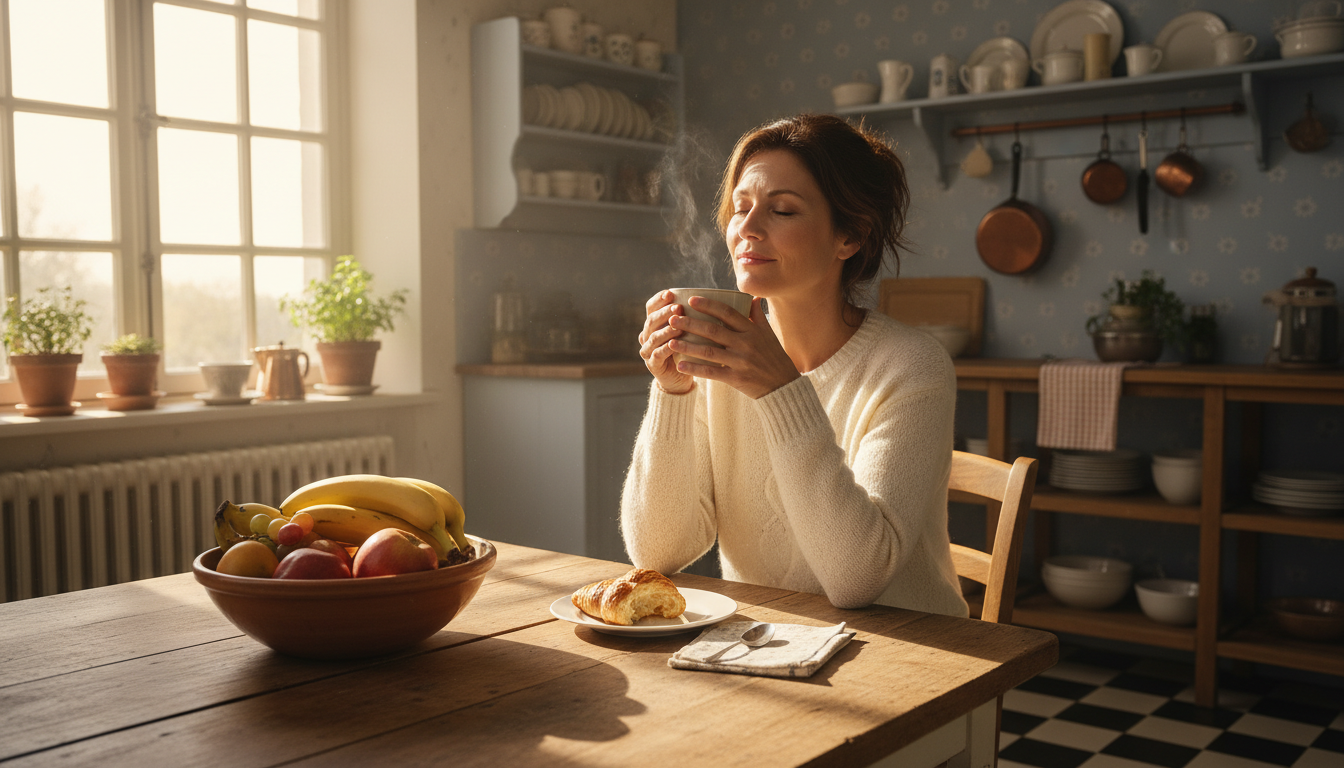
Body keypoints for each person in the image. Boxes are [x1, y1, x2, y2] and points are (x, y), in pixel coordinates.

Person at [621, 113, 967, 617]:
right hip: (765, 645)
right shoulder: (720, 362)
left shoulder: (911, 367)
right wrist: (673, 394)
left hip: (914, 659)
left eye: (781, 210)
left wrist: (780, 390)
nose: (748, 229)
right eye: (741, 208)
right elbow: (658, 553)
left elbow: (857, 580)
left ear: (848, 238)